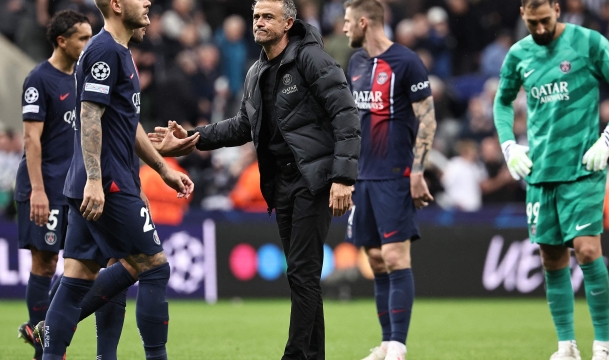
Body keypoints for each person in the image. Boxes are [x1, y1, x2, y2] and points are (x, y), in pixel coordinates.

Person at [149, 0, 360, 358]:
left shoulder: (313, 60)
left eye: (267, 17)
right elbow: (243, 126)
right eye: (256, 17)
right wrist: (192, 137)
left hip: (314, 178)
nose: (259, 23)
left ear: (288, 22)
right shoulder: (256, 71)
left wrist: (343, 177)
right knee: (302, 276)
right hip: (282, 185)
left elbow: (346, 115)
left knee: (302, 273)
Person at [33, 0, 197, 359]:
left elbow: (126, 121)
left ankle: (49, 344)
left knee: (78, 278)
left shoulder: (118, 51)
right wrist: (96, 179)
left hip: (90, 181)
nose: (149, 2)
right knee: (153, 266)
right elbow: (89, 114)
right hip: (108, 182)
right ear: (118, 5)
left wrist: (163, 168)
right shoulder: (106, 50)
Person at [494, 1, 609, 359]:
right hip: (541, 171)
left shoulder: (588, 42)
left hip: (583, 167)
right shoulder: (519, 54)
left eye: (545, 20)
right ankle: (566, 347)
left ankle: (603, 348)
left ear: (557, 9)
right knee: (551, 257)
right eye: (532, 23)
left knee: (588, 250)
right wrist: (509, 145)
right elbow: (502, 102)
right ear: (522, 14)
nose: (540, 29)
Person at [341, 1, 436, 359]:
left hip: (395, 176)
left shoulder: (406, 62)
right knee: (377, 259)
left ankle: (398, 346)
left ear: (364, 22)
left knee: (396, 257)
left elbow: (427, 120)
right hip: (362, 177)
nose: (345, 27)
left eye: (349, 22)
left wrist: (418, 170)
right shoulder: (356, 64)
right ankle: (385, 343)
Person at [13, 10, 92, 360]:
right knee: (44, 264)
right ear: (62, 41)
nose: (88, 44)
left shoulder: (82, 79)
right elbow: (32, 140)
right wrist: (38, 190)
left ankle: (41, 329)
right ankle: (40, 340)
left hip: (74, 187)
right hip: (43, 186)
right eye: (82, 38)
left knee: (84, 261)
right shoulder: (38, 79)